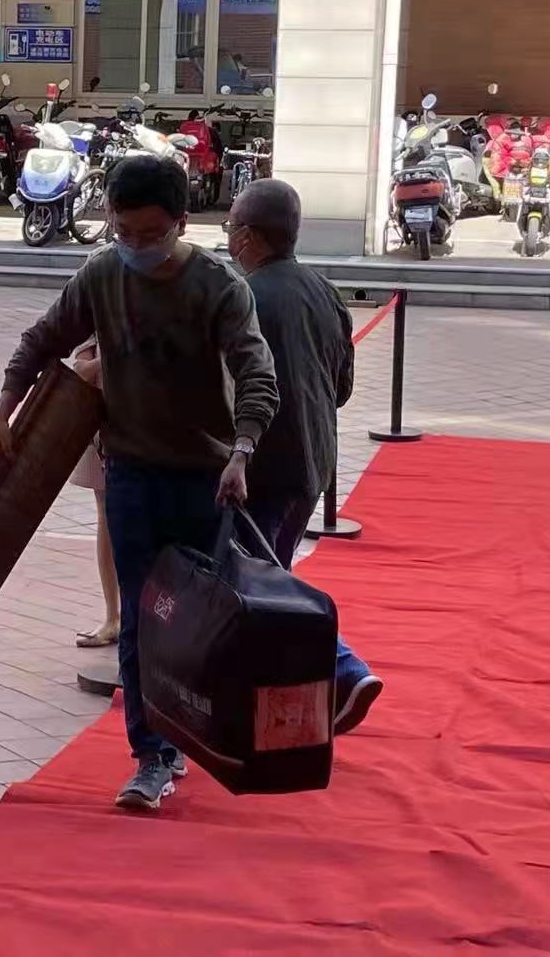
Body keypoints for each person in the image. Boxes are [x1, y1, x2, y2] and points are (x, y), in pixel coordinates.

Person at [0, 155, 279, 813]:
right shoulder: (102, 273)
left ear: (183, 224)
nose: (136, 246)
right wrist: (3, 411)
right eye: (124, 232)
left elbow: (256, 372)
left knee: (193, 622)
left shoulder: (220, 286)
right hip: (129, 472)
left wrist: (242, 452)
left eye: (151, 234)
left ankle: (190, 732)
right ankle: (150, 754)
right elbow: (41, 339)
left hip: (204, 477)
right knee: (140, 621)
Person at [225, 179, 384, 734]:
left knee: (258, 583)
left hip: (261, 465)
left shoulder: (242, 297)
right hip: (313, 461)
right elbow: (341, 387)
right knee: (271, 575)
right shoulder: (324, 291)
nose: (228, 238)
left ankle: (343, 668)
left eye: (231, 227)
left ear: (249, 237)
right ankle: (277, 693)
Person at [70, 342, 119, 649]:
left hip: (145, 432)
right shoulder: (98, 319)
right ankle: (113, 616)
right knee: (106, 516)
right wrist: (110, 358)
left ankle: (135, 617)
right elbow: (80, 370)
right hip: (102, 428)